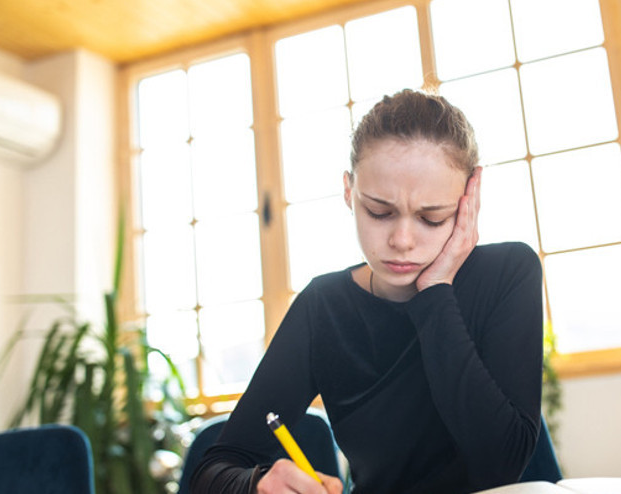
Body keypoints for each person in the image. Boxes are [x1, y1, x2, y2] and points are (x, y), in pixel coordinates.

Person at [191, 89, 543, 494]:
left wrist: (435, 292)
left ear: (468, 202)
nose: (403, 240)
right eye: (379, 211)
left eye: (432, 218)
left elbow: (501, 464)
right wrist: (256, 485)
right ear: (348, 192)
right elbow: (213, 471)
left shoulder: (508, 273)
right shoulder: (323, 307)